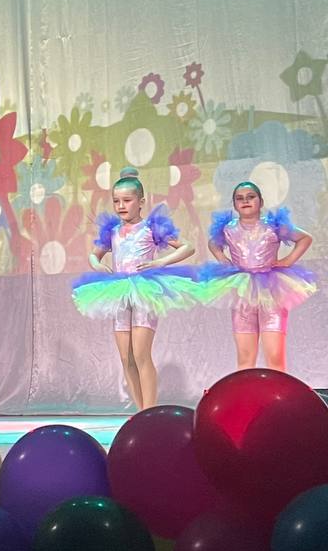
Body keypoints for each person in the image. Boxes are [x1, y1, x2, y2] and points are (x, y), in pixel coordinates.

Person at [72, 167, 195, 410]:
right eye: (116, 201)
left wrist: (160, 262)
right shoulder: (113, 231)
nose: (121, 206)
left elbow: (188, 247)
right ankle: (140, 412)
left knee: (140, 354)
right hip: (119, 292)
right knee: (126, 357)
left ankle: (150, 411)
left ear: (141, 201)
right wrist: (97, 264)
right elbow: (94, 255)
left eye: (127, 200)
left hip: (144, 292)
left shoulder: (150, 228)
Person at [201, 181, 315, 371]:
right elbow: (213, 243)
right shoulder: (229, 228)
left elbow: (305, 238)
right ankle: (247, 390)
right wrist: (221, 257)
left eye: (251, 197)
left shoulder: (273, 226)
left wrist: (288, 260)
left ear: (261, 202)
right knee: (245, 356)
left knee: (275, 355)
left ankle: (278, 389)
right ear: (234, 204)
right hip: (242, 291)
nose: (245, 201)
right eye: (239, 198)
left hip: (271, 291)